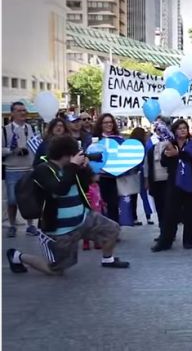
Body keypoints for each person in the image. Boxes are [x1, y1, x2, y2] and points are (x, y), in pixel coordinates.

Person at [6, 136, 129, 275]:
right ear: (65, 155)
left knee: (112, 229)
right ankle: (17, 256)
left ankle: (108, 259)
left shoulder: (70, 167)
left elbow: (84, 186)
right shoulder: (43, 170)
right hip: (60, 230)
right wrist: (73, 166)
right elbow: (59, 189)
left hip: (83, 219)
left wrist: (83, 168)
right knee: (56, 270)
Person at [151, 120, 192, 252]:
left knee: (190, 214)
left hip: (191, 183)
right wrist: (169, 154)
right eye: (179, 128)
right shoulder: (170, 144)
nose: (183, 130)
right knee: (170, 213)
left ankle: (188, 241)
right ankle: (165, 241)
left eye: (185, 128)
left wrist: (179, 154)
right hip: (174, 183)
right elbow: (164, 162)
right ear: (174, 131)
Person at [2, 101, 39, 237]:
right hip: (12, 170)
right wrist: (11, 150)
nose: (23, 113)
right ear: (12, 113)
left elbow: (37, 146)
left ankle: (30, 225)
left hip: (28, 169)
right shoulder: (5, 130)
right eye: (19, 110)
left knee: (28, 199)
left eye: (24, 110)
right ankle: (12, 225)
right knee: (12, 200)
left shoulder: (32, 128)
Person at [92, 113, 122, 223]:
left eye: (110, 122)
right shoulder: (95, 140)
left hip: (115, 178)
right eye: (106, 122)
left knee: (114, 205)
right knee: (100, 204)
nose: (109, 124)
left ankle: (114, 230)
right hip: (100, 177)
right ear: (100, 124)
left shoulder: (119, 139)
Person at [145, 119, 172, 238]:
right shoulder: (150, 142)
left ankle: (169, 232)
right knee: (160, 207)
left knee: (169, 207)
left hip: (169, 180)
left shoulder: (171, 142)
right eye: (157, 126)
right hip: (155, 181)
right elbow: (147, 162)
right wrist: (146, 179)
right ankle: (163, 231)